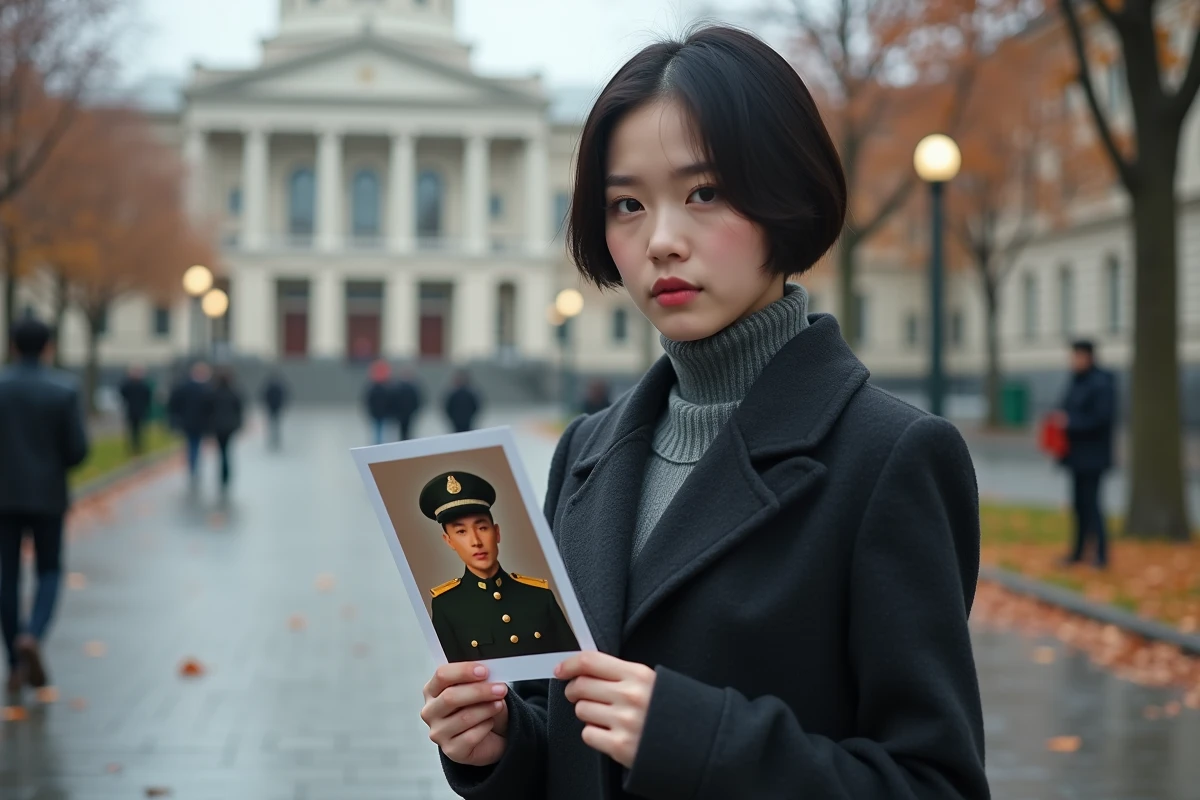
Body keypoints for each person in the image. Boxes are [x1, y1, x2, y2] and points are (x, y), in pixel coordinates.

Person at [420, 26, 989, 800]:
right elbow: (571, 734)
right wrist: (502, 746)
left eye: (705, 193)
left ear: (786, 194)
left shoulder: (891, 457)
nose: (660, 240)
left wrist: (695, 738)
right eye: (626, 204)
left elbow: (935, 784)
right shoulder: (587, 452)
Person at [0, 318, 89, 696]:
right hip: (49, 494)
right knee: (49, 569)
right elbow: (77, 450)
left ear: (13, 345)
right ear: (49, 346)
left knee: (7, 574)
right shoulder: (64, 389)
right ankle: (33, 634)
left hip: (4, 495)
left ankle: (15, 659)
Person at [419, 471, 579, 662]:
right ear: (449, 541)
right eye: (461, 531)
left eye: (482, 528)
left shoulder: (539, 595)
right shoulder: (446, 605)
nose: (476, 541)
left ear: (497, 533)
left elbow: (574, 665)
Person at [1052, 340, 1116, 568]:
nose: (1074, 361)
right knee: (1079, 505)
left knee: (1093, 505)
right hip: (1076, 456)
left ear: (1088, 357)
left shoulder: (1101, 383)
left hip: (1093, 456)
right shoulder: (1076, 381)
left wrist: (1070, 423)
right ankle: (1078, 552)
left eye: (1077, 356)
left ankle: (1101, 555)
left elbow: (1101, 418)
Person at [167, 361, 214, 487]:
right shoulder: (207, 388)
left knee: (192, 445)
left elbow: (174, 403)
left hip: (189, 422)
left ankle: (193, 467)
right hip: (198, 422)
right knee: (195, 445)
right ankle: (194, 467)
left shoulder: (185, 386)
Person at [209, 368, 244, 497]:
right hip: (230, 427)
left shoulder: (214, 392)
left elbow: (209, 410)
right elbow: (239, 409)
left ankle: (222, 473)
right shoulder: (234, 392)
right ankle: (226, 473)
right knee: (227, 450)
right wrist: (239, 425)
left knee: (221, 450)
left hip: (218, 427)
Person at [118, 364, 153, 455]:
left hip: (141, 411)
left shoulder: (143, 385)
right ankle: (132, 448)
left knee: (140, 431)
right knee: (131, 431)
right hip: (131, 411)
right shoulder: (128, 384)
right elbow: (122, 393)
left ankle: (139, 447)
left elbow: (147, 397)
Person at [364, 359, 392, 445]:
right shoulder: (385, 389)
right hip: (380, 413)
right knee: (380, 429)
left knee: (379, 429)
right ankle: (379, 443)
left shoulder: (374, 389)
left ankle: (379, 442)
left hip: (378, 413)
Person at [391, 368, 424, 441]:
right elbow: (394, 400)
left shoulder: (410, 387)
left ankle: (405, 440)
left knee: (407, 428)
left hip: (408, 412)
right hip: (402, 412)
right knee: (403, 429)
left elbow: (418, 399)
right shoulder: (399, 387)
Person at [261, 371, 289, 450]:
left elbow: (265, 396)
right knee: (274, 424)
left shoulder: (272, 387)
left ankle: (275, 439)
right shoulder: (276, 387)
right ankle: (274, 439)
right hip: (273, 407)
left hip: (274, 407)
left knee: (274, 424)